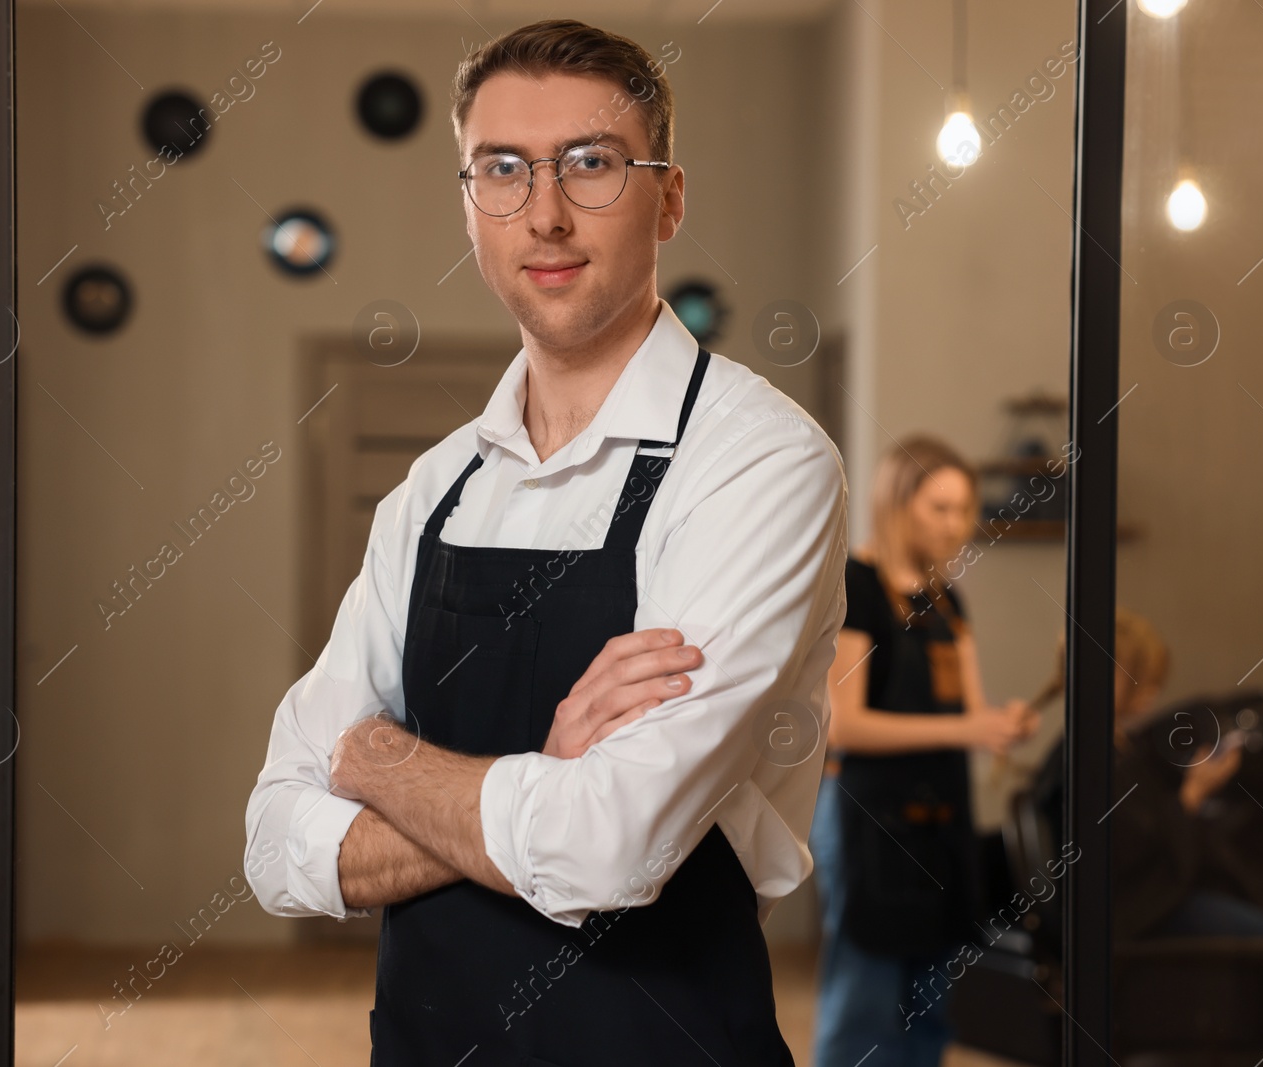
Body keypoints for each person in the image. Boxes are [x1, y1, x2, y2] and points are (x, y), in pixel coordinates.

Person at [242, 19, 848, 1065]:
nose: (547, 213)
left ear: (669, 198)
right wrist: (540, 769)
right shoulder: (431, 492)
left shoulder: (755, 462)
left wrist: (379, 757)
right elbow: (276, 848)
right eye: (503, 170)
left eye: (592, 165)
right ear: (468, 202)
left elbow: (607, 846)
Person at [809, 434, 1038, 1067]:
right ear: (897, 502)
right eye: (939, 507)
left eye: (963, 509)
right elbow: (843, 726)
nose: (956, 525)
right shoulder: (853, 585)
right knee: (866, 1002)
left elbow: (969, 715)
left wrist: (1001, 723)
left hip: (942, 825)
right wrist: (968, 731)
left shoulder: (946, 601)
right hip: (867, 820)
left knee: (931, 1002)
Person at [1028, 608, 1263, 942]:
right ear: (1100, 674)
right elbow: (1124, 855)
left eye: (1155, 678)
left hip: (1153, 900)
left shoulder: (1112, 747)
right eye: (1142, 677)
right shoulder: (1087, 760)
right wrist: (1193, 793)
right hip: (1135, 915)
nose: (1153, 689)